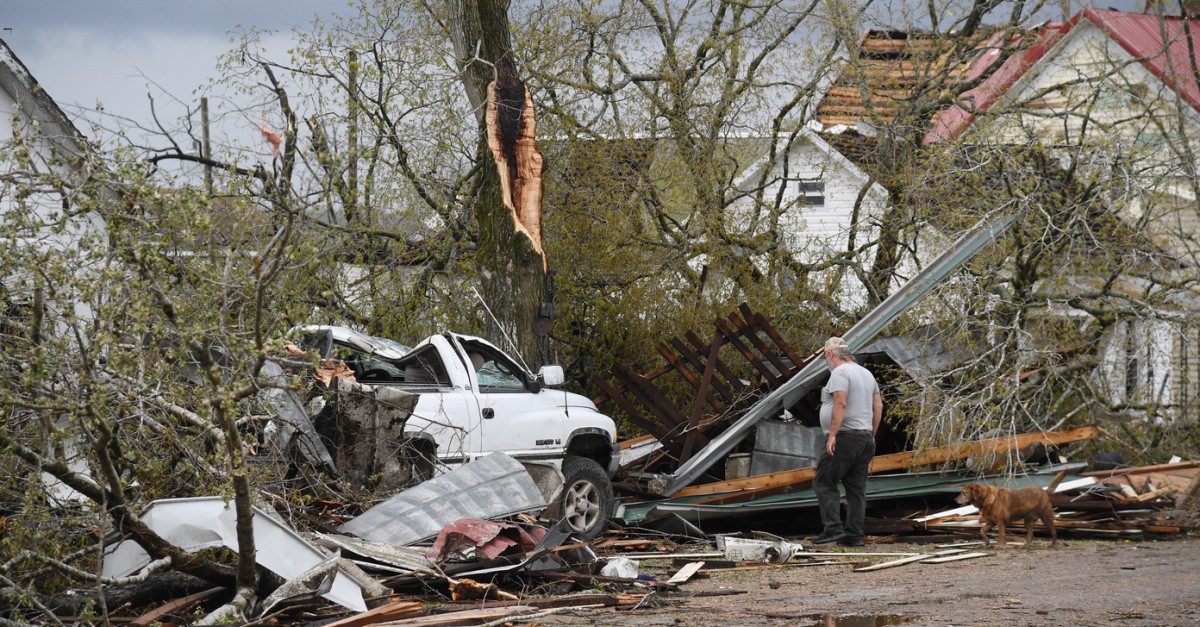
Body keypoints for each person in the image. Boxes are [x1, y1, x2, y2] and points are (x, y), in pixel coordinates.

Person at [810, 336, 883, 547]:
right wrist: (871, 434)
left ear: (831, 354)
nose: (827, 361)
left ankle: (833, 529)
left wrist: (832, 435)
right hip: (864, 437)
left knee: (824, 482)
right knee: (856, 490)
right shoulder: (866, 374)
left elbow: (840, 403)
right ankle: (854, 537)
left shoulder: (840, 372)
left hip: (845, 436)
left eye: (826, 357)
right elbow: (878, 407)